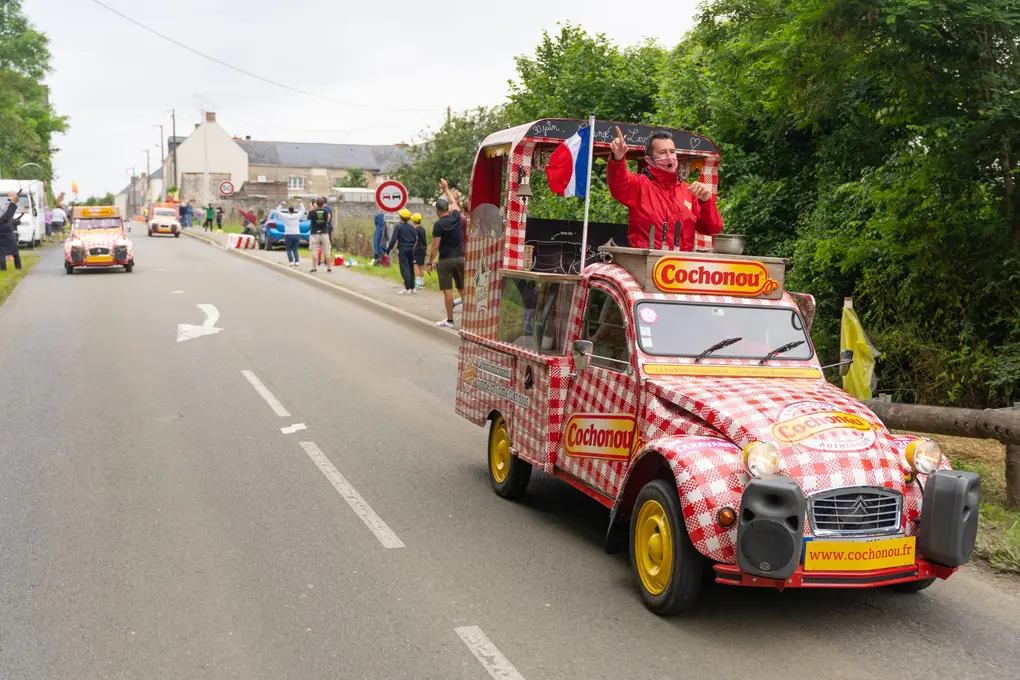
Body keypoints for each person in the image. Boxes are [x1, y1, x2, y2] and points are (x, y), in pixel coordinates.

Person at [607, 126, 723, 250]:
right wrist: (617, 158)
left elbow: (713, 229)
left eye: (672, 151)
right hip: (647, 263)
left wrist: (706, 201)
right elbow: (618, 184)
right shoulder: (640, 184)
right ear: (649, 160)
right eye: (662, 152)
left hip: (681, 266)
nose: (670, 156)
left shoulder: (689, 191)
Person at [426, 179, 465, 328]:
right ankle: (469, 321)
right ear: (447, 209)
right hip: (461, 258)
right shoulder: (455, 216)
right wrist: (446, 188)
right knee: (462, 289)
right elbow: (453, 201)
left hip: (446, 260)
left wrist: (430, 262)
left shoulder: (439, 224)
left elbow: (435, 245)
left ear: (438, 211)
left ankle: (449, 321)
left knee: (447, 290)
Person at [386, 209, 418, 294]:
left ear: (401, 217)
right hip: (411, 249)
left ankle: (407, 288)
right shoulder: (411, 227)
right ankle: (412, 287)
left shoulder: (399, 227)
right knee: (411, 268)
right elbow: (415, 238)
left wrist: (388, 250)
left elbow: (393, 240)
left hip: (403, 249)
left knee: (404, 268)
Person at [307, 197, 333, 273]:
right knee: (327, 251)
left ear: (316, 203)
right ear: (323, 203)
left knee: (314, 251)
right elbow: (328, 219)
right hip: (324, 232)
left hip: (314, 233)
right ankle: (329, 268)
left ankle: (314, 268)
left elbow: (309, 218)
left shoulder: (313, 211)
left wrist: (311, 209)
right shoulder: (326, 211)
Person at [0, 191, 23, 272]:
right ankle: (18, 268)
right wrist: (12, 201)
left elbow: (5, 208)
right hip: (9, 232)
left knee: (1, 253)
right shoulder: (6, 216)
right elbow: (8, 210)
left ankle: (3, 270)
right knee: (15, 252)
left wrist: (11, 200)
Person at [411, 213, 427, 289]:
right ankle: (422, 283)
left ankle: (417, 283)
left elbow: (415, 241)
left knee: (416, 266)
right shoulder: (423, 229)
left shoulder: (415, 230)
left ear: (413, 221)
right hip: (423, 249)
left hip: (417, 249)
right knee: (421, 266)